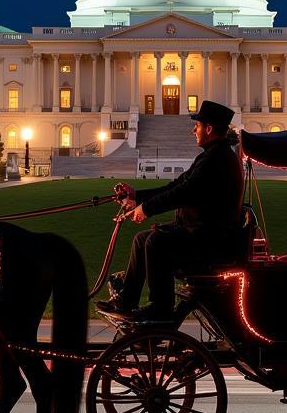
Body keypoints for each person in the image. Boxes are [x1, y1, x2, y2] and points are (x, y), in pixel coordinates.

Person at [98, 100, 244, 321]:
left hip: (210, 239)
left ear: (209, 129)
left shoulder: (217, 158)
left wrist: (146, 208)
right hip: (202, 233)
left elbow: (184, 192)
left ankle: (161, 308)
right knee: (141, 239)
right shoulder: (212, 155)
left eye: (197, 125)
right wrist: (137, 197)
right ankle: (127, 300)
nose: (192, 130)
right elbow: (175, 186)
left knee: (156, 242)